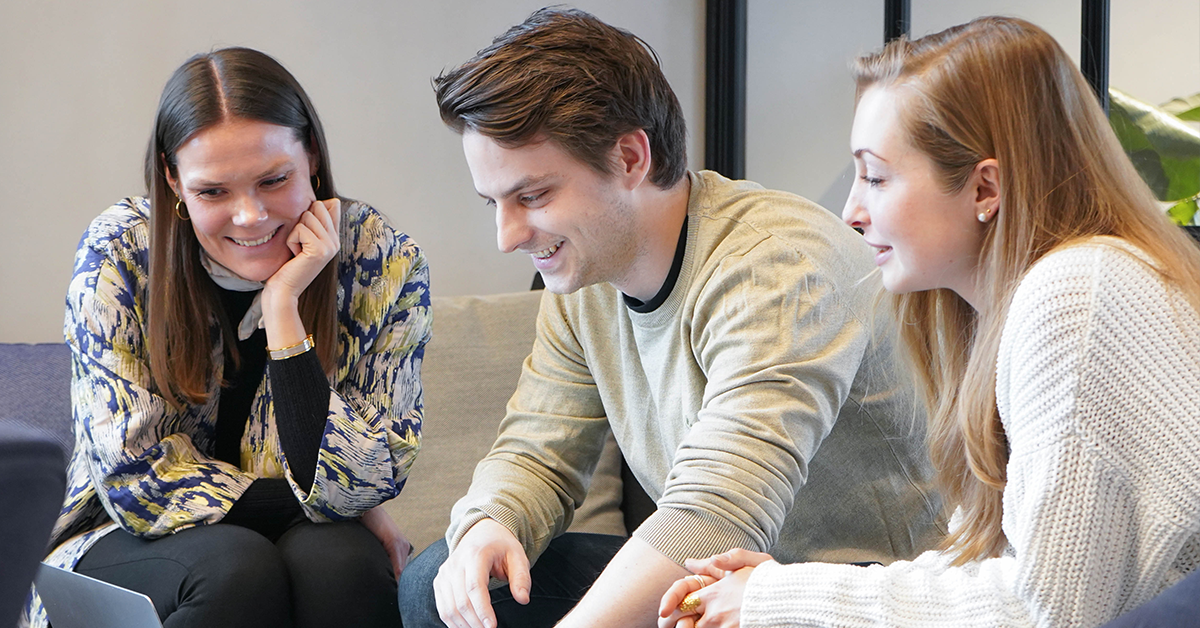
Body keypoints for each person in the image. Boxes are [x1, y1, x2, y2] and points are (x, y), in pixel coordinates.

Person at [398, 8, 943, 628]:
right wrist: (489, 522)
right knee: (444, 585)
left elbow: (713, 516)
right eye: (494, 202)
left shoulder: (775, 266)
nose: (507, 235)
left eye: (533, 196)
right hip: (718, 576)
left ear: (631, 157)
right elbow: (536, 451)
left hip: (846, 590)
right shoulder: (585, 278)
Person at [658, 16, 1200, 628]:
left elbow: (1042, 612)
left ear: (984, 188)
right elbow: (985, 569)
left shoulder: (1076, 294)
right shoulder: (1018, 303)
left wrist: (771, 599)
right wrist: (775, 589)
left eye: (877, 176)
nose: (851, 211)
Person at [24, 47, 431, 628]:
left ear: (311, 156)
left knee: (340, 564)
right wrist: (315, 505)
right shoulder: (119, 255)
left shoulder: (381, 262)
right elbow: (138, 480)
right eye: (213, 192)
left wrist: (284, 309)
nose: (251, 217)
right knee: (238, 567)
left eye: (274, 180)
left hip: (296, 541)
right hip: (117, 537)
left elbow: (371, 475)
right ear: (173, 179)